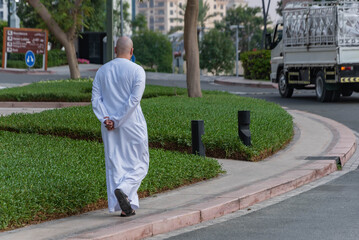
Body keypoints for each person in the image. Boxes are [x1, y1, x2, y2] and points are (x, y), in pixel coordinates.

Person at [92, 36, 149, 217]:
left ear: (115, 50)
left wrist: (106, 119)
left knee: (116, 164)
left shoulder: (102, 71)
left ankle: (125, 207)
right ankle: (124, 191)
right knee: (140, 163)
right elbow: (134, 100)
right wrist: (116, 120)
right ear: (132, 52)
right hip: (132, 123)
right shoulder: (138, 71)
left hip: (109, 127)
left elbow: (96, 99)